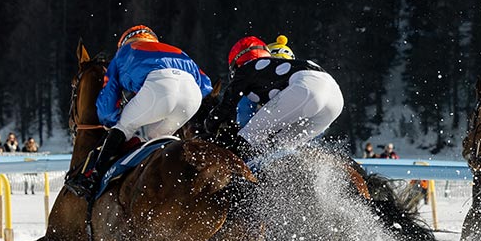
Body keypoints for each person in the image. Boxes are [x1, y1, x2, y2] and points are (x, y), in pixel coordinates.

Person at [70, 25, 212, 198]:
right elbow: (206, 85)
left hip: (160, 88)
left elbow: (108, 99)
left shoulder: (123, 53)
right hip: (192, 97)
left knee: (124, 128)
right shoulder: (177, 51)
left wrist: (111, 122)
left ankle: (92, 178)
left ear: (124, 42)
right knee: (153, 138)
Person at [224, 34, 345, 158]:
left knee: (250, 144)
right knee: (281, 150)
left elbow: (245, 117)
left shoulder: (258, 75)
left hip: (308, 93)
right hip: (334, 98)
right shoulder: (295, 69)